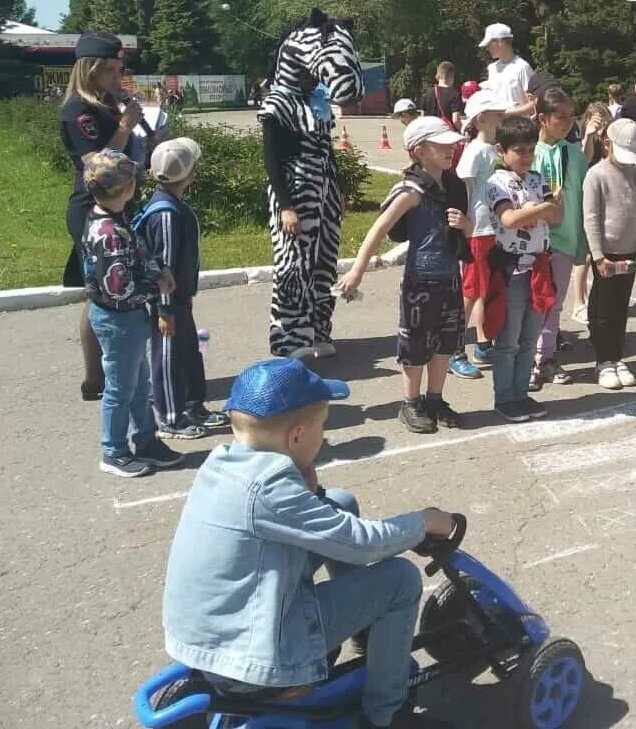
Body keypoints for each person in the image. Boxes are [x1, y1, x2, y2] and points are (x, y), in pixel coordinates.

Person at [161, 357, 455, 729]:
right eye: (322, 426)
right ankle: (388, 713)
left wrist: (310, 489)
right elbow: (363, 544)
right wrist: (423, 521)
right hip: (254, 659)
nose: (325, 436)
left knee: (341, 502)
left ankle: (367, 627)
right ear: (296, 436)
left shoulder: (223, 462)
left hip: (205, 634)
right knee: (400, 580)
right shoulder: (271, 489)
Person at [337, 117, 470, 434]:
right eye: (441, 145)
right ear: (420, 151)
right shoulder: (412, 191)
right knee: (415, 344)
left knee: (446, 342)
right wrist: (357, 270)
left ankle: (435, 399)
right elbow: (378, 229)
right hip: (420, 281)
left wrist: (465, 225)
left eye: (451, 143)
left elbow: (471, 231)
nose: (450, 149)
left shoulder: (453, 184)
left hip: (450, 276)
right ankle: (410, 403)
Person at [261, 11, 365, 359]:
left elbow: (327, 152)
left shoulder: (316, 102)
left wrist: (336, 192)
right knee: (293, 263)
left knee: (323, 262)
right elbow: (272, 160)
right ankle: (289, 338)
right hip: (295, 191)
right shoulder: (278, 103)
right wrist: (286, 205)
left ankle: (319, 330)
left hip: (324, 192)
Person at [80, 150, 183, 476]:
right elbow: (118, 289)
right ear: (125, 188)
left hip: (129, 317)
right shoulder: (108, 233)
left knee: (140, 384)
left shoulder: (113, 218)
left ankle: (146, 440)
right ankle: (114, 451)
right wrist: (157, 290)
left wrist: (158, 269)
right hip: (118, 319)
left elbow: (139, 248)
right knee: (120, 389)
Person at [59, 32, 139, 402]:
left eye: (119, 69)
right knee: (99, 294)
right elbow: (100, 169)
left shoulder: (107, 102)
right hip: (93, 208)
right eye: (108, 70)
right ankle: (95, 379)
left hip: (119, 203)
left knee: (117, 288)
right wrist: (124, 128)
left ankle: (123, 371)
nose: (115, 77)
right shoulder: (78, 109)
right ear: (89, 69)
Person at [137, 138, 225, 439]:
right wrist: (164, 309)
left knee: (189, 352)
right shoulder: (166, 213)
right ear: (189, 176)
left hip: (179, 300)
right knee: (167, 357)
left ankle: (192, 405)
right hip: (167, 303)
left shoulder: (171, 205)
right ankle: (169, 417)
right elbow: (164, 266)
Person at [484, 116, 561, 422]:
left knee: (530, 337)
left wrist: (537, 211)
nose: (526, 157)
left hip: (539, 267)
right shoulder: (496, 183)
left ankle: (521, 393)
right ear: (501, 150)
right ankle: (504, 397)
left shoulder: (536, 178)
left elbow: (558, 215)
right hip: (512, 272)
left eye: (531, 150)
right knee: (509, 340)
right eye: (519, 150)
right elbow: (509, 220)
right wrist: (541, 208)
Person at [583, 119, 636, 390]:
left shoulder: (635, 175)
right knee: (603, 308)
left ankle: (616, 355)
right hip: (607, 253)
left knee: (621, 307)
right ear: (607, 144)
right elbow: (590, 218)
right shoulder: (596, 175)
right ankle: (603, 360)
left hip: (629, 251)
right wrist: (598, 256)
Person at [531, 87, 588, 391]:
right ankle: (527, 358)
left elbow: (582, 196)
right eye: (560, 117)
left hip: (565, 240)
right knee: (531, 303)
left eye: (570, 116)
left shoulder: (574, 154)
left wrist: (583, 239)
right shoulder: (528, 153)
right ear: (542, 118)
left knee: (555, 302)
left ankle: (546, 357)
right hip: (533, 243)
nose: (567, 122)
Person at [454, 91, 510, 376]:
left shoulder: (495, 149)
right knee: (471, 289)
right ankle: (453, 348)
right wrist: (464, 223)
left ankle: (483, 342)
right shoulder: (474, 150)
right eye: (498, 115)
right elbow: (462, 186)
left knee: (486, 288)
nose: (503, 118)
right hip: (478, 229)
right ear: (481, 119)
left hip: (494, 228)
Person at [570, 103, 613, 324]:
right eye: (594, 118)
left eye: (602, 118)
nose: (599, 122)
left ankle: (591, 301)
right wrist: (588, 135)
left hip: (604, 193)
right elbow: (583, 160)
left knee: (597, 251)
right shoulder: (583, 138)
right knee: (585, 254)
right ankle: (578, 301)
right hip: (586, 193)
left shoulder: (609, 137)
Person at [479, 23, 535, 118]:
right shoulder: (492, 68)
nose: (487, 48)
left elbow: (534, 104)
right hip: (496, 128)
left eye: (489, 44)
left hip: (518, 128)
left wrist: (506, 114)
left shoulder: (522, 67)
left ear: (500, 42)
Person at [419, 62, 463, 131]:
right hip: (448, 135)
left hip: (431, 134)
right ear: (451, 75)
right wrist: (463, 131)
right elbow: (455, 120)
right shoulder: (455, 95)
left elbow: (423, 118)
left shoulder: (426, 94)